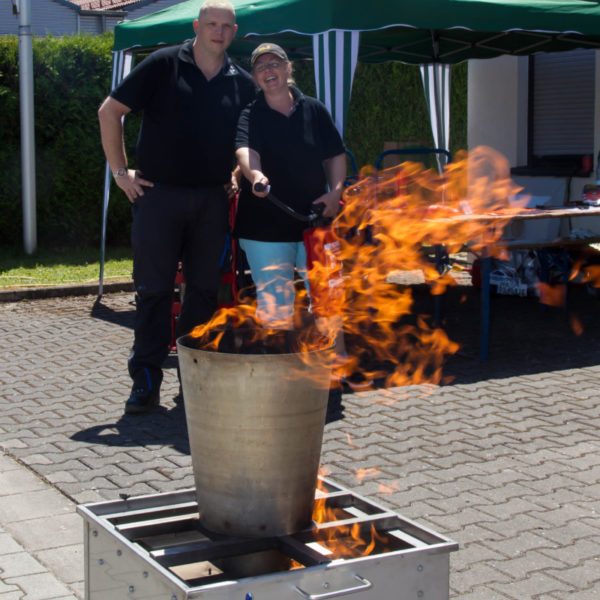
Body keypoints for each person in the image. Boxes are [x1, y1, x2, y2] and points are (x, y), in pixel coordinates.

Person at [98, 0, 256, 414]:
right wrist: (121, 174)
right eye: (211, 24)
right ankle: (146, 381)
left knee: (203, 293)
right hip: (158, 198)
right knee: (153, 292)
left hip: (211, 201)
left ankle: (195, 379)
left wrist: (241, 173)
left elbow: (248, 140)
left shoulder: (241, 82)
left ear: (235, 32)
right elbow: (109, 112)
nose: (218, 32)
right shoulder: (163, 64)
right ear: (196, 26)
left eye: (226, 26)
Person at [233, 43, 347, 420]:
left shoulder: (313, 108)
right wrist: (255, 174)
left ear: (287, 69)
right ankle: (281, 377)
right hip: (266, 226)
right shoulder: (251, 112)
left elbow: (335, 153)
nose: (268, 70)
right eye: (260, 67)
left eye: (275, 64)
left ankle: (330, 374)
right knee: (276, 307)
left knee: (328, 299)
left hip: (318, 221)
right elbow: (245, 151)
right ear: (255, 77)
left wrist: (335, 193)